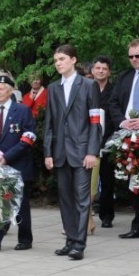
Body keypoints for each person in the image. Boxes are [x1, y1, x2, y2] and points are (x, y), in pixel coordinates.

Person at [43, 44, 102, 260]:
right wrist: (48, 152)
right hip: (60, 152)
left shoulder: (88, 85)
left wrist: (92, 151)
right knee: (65, 198)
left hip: (81, 151)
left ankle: (79, 243)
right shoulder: (53, 88)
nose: (58, 63)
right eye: (56, 60)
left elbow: (95, 122)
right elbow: (49, 122)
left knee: (82, 199)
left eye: (62, 59)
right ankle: (70, 240)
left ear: (73, 60)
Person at [0, 75, 36, 252]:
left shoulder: (22, 110)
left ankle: (25, 238)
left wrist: (7, 156)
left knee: (20, 203)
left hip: (17, 163)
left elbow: (28, 137)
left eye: (2, 89)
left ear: (10, 91)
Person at [108, 39, 139, 239]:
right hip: (129, 136)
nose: (134, 60)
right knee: (135, 181)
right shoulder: (125, 77)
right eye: (131, 56)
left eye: (138, 56)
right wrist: (123, 122)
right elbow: (112, 102)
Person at [90, 57, 115, 229]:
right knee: (87, 181)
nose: (100, 71)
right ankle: (85, 215)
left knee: (107, 179)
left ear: (109, 72)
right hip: (89, 141)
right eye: (97, 68)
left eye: (104, 69)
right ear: (92, 70)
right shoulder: (85, 88)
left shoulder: (114, 90)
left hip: (108, 139)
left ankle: (106, 214)